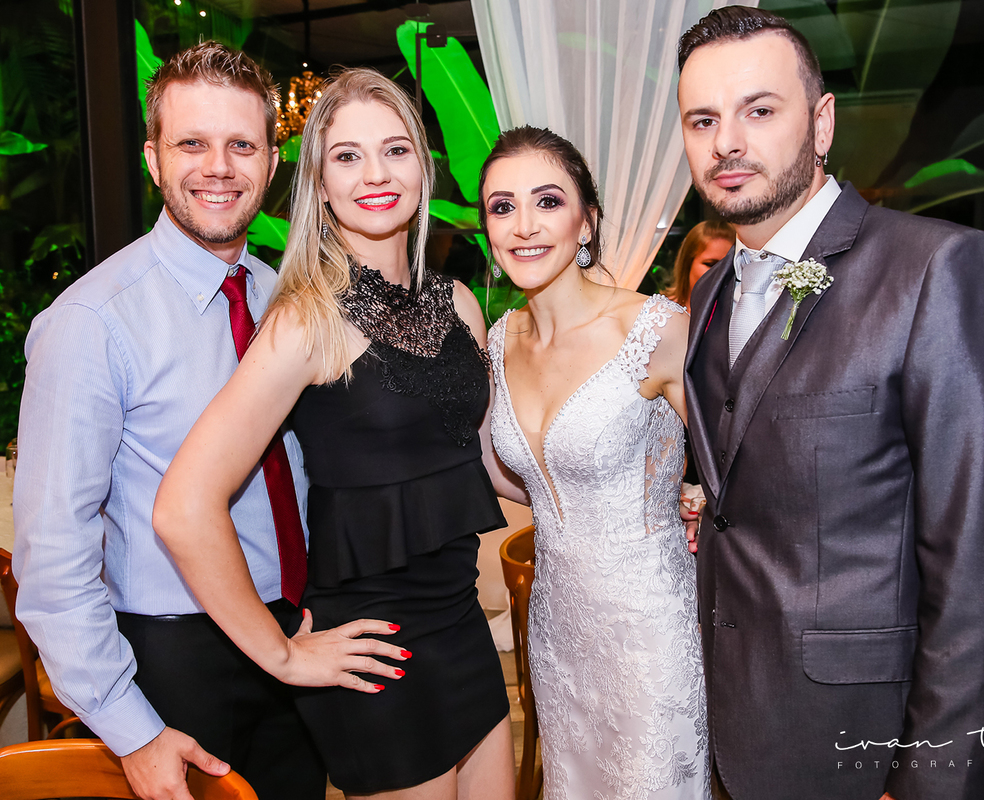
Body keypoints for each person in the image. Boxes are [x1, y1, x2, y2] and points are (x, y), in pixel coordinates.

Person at [676, 8, 984, 800]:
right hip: (733, 727)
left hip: (868, 748)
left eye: (758, 110)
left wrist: (931, 783)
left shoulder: (938, 271)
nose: (726, 143)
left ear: (822, 123)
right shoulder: (710, 294)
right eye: (702, 120)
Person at [12, 42, 399, 800]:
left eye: (241, 145)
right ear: (153, 159)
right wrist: (131, 727)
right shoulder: (91, 321)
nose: (218, 168)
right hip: (173, 658)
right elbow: (53, 557)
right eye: (192, 143)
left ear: (273, 160)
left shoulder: (286, 297)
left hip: (293, 631)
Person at [153, 68, 515, 799]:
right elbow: (183, 508)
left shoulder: (459, 305)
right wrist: (282, 656)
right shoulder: (305, 319)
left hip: (461, 622)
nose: (375, 174)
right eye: (347, 156)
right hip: (373, 652)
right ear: (319, 184)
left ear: (423, 167)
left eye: (395, 150)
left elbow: (480, 458)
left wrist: (624, 488)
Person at [481, 126, 710, 800]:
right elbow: (522, 477)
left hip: (650, 636)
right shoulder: (500, 340)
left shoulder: (656, 329)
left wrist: (700, 500)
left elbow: (744, 463)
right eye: (502, 206)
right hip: (556, 635)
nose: (524, 225)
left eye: (548, 201)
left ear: (587, 223)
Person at [668, 220, 735, 310]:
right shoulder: (662, 311)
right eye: (710, 264)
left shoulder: (741, 314)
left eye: (728, 266)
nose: (720, 273)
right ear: (687, 264)